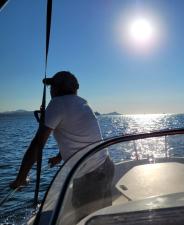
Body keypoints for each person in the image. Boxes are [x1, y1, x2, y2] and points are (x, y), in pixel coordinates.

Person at [10, 71, 114, 214]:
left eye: (52, 86)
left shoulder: (57, 104)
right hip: (106, 166)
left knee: (84, 219)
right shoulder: (82, 103)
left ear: (57, 88)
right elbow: (80, 136)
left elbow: (37, 145)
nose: (51, 90)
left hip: (89, 175)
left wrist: (20, 178)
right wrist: (59, 157)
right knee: (103, 216)